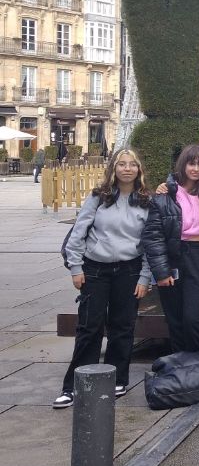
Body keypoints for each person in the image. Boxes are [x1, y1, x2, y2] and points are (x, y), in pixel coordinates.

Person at [53, 150, 151, 409]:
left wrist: (145, 277)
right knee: (89, 326)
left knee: (123, 326)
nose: (127, 169)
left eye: (132, 164)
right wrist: (75, 267)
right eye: (122, 164)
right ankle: (75, 385)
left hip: (129, 269)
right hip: (96, 268)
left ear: (139, 169)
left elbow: (150, 243)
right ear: (114, 168)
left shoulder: (145, 201)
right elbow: (78, 233)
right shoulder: (99, 197)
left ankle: (118, 377)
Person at [143, 145, 199, 354]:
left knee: (194, 316)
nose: (196, 169)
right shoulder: (165, 195)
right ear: (183, 165)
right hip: (174, 255)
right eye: (191, 163)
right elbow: (153, 236)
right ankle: (179, 366)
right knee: (174, 317)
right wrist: (161, 272)